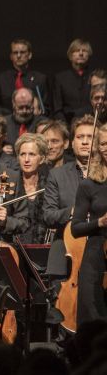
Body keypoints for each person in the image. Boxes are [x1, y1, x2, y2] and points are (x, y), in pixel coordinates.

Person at [44, 115, 93, 282]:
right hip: (65, 252)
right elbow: (48, 216)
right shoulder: (57, 175)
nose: (85, 142)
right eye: (80, 137)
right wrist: (72, 212)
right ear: (72, 143)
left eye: (90, 137)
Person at [70, 122, 107, 324]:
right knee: (93, 319)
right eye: (103, 144)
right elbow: (76, 228)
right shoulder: (89, 184)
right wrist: (99, 222)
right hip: (96, 256)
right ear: (98, 149)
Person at [0, 39, 50, 116]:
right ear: (11, 56)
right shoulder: (1, 78)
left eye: (22, 52)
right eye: (15, 53)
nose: (19, 56)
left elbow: (47, 107)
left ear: (29, 55)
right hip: (8, 121)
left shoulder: (40, 79)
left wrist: (38, 110)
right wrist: (14, 114)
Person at [14, 133, 49, 244]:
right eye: (22, 154)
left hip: (42, 246)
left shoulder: (49, 186)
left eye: (32, 154)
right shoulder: (10, 185)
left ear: (42, 159)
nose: (26, 159)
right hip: (14, 246)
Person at [55, 38, 93, 122]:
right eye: (77, 50)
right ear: (70, 55)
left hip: (92, 122)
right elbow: (57, 109)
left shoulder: (95, 76)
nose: (81, 53)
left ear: (89, 55)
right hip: (68, 124)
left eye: (84, 51)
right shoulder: (60, 78)